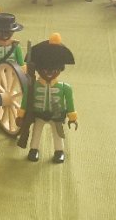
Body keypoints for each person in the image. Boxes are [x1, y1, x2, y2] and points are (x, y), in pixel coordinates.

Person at [18, 33, 76, 164]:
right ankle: (34, 150)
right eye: (45, 70)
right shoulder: (32, 87)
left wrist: (72, 117)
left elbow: (70, 104)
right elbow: (25, 101)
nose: (49, 73)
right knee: (36, 133)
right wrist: (21, 115)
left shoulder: (65, 88)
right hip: (39, 115)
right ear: (39, 69)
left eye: (54, 70)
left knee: (57, 135)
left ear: (60, 69)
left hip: (57, 115)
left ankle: (59, 151)